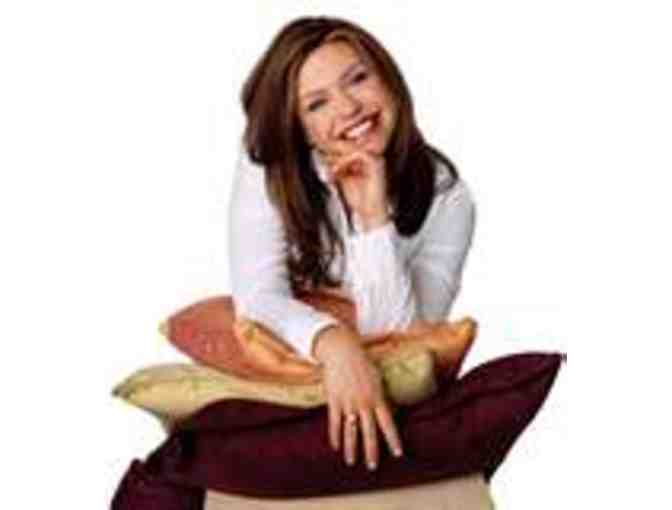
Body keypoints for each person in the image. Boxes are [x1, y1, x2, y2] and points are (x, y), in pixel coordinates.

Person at [228, 16, 476, 473]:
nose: (348, 108)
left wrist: (372, 220)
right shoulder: (269, 165)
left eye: (358, 79)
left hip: (392, 397)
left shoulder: (448, 199)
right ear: (299, 128)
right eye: (317, 103)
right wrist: (334, 341)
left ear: (388, 79)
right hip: (312, 367)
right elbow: (257, 298)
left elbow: (400, 343)